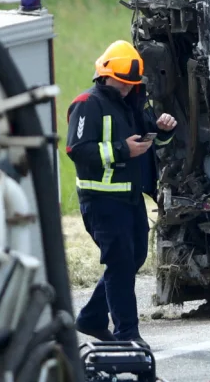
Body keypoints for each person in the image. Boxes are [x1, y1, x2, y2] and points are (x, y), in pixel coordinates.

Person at [66, 40, 177, 345]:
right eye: (123, 82)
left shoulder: (132, 103)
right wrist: (120, 150)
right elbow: (76, 150)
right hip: (100, 200)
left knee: (134, 257)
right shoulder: (87, 104)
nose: (128, 88)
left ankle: (91, 318)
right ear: (104, 75)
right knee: (119, 263)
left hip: (129, 198)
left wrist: (163, 128)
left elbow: (147, 133)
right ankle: (128, 333)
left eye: (132, 83)